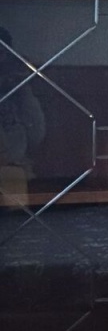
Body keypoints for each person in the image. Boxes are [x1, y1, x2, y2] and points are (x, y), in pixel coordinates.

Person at [0, 27, 45, 205]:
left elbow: (37, 133)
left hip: (14, 166)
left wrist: (22, 87)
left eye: (2, 53)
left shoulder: (17, 88)